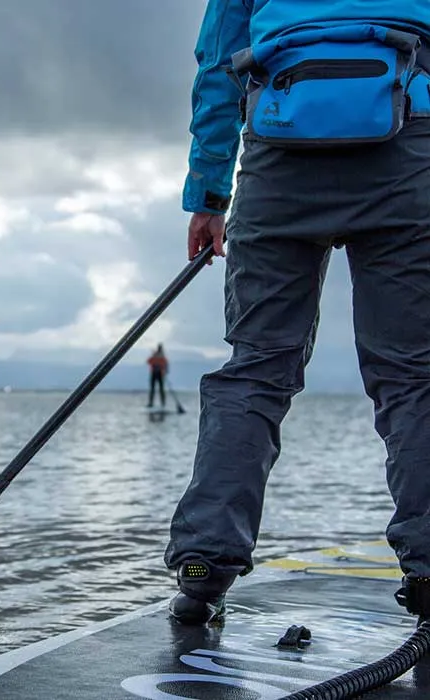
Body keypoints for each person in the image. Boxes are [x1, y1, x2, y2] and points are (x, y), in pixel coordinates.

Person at [165, 0, 430, 626]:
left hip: (280, 154)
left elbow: (218, 64)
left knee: (256, 368)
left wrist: (208, 194)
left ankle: (203, 568)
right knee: (413, 374)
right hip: (406, 153)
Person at [147, 344, 169, 408]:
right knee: (153, 389)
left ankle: (163, 403)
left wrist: (165, 371)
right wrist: (154, 356)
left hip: (160, 374)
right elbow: (149, 361)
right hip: (154, 373)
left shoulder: (162, 356)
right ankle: (151, 403)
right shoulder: (155, 355)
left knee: (161, 389)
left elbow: (166, 365)